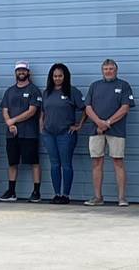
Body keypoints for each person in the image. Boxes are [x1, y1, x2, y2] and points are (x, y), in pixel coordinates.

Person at [84, 59, 135, 207]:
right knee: (96, 162)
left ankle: (122, 198)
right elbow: (87, 107)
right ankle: (98, 197)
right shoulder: (94, 86)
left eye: (111, 68)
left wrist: (107, 123)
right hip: (96, 130)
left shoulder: (123, 85)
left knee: (118, 161)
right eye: (105, 69)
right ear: (102, 70)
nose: (108, 71)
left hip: (116, 131)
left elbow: (125, 108)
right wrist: (99, 122)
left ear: (116, 70)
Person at [40, 63, 87, 204]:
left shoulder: (72, 92)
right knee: (54, 164)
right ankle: (57, 194)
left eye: (60, 76)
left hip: (66, 134)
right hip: (49, 134)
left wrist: (79, 125)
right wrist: (41, 126)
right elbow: (42, 111)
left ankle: (66, 195)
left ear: (65, 76)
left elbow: (86, 109)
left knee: (66, 164)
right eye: (55, 76)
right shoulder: (46, 92)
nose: (57, 78)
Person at [0, 61, 42, 203]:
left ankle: (36, 192)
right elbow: (5, 109)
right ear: (15, 72)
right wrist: (9, 123)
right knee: (12, 163)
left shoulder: (34, 90)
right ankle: (11, 191)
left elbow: (32, 111)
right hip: (12, 133)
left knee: (33, 162)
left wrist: (13, 121)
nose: (21, 72)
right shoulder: (9, 91)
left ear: (28, 72)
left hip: (29, 133)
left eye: (24, 70)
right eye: (19, 70)